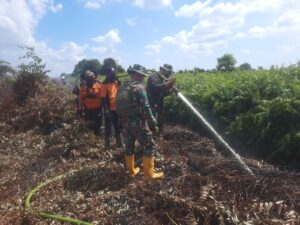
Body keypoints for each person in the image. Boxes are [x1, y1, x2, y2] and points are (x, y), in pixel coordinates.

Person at [116, 64, 163, 179]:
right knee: (149, 145)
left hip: (124, 121)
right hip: (137, 122)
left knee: (129, 145)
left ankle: (131, 171)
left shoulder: (122, 87)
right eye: (142, 75)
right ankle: (149, 174)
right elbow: (146, 107)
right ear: (137, 75)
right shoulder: (138, 87)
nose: (143, 77)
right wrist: (153, 123)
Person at [146, 64, 176, 134]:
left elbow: (164, 93)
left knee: (160, 122)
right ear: (162, 70)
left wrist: (171, 89)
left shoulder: (162, 79)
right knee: (152, 122)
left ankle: (158, 136)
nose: (169, 74)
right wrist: (168, 84)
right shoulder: (153, 77)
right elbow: (156, 88)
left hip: (159, 105)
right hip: (152, 105)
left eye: (170, 72)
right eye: (168, 72)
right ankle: (151, 138)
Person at [101, 67, 123, 148]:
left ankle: (120, 145)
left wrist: (119, 85)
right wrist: (106, 110)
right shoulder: (104, 85)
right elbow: (103, 99)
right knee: (108, 128)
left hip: (117, 108)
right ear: (108, 75)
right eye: (112, 74)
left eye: (114, 73)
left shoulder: (116, 82)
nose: (114, 75)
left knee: (118, 126)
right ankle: (107, 146)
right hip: (109, 110)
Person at [79, 70, 102, 135]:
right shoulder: (82, 88)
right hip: (88, 111)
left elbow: (103, 97)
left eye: (91, 79)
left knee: (98, 127)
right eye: (88, 79)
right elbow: (81, 100)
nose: (90, 81)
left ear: (94, 79)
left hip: (97, 110)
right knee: (89, 127)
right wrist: (80, 110)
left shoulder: (99, 86)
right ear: (86, 80)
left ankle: (98, 139)